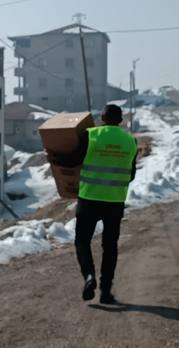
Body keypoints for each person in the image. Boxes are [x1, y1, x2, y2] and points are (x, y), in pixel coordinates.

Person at [45, 104, 138, 305]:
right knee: (110, 246)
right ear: (120, 121)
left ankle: (89, 277)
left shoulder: (92, 135)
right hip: (115, 201)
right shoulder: (131, 141)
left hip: (89, 199)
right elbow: (130, 175)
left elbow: (73, 161)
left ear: (102, 117)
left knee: (82, 240)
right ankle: (105, 290)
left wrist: (54, 158)